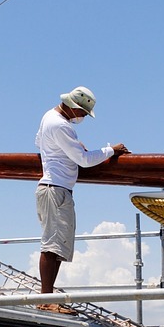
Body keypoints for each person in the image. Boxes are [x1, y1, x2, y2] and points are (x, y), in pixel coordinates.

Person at [35, 86, 129, 314]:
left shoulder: (49, 117)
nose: (83, 117)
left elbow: (39, 142)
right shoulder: (60, 125)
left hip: (55, 188)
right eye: (83, 112)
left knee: (57, 246)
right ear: (73, 107)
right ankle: (46, 299)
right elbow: (85, 161)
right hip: (56, 189)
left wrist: (73, 147)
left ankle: (48, 296)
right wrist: (111, 150)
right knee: (52, 246)